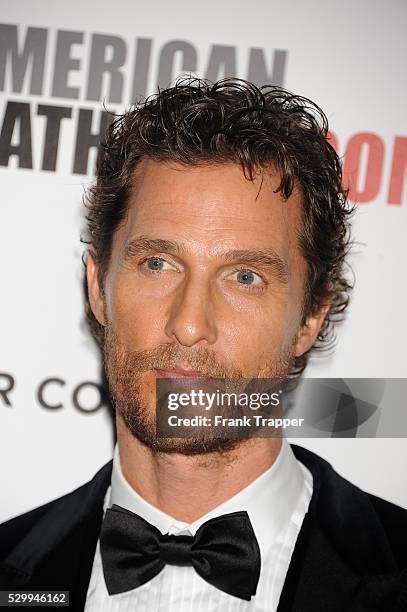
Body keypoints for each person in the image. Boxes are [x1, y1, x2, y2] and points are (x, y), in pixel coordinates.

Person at [0, 78, 406, 612]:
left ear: (311, 316)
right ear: (99, 288)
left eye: (244, 277)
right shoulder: (12, 567)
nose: (190, 325)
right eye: (158, 264)